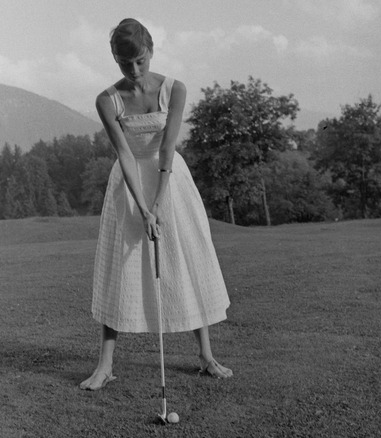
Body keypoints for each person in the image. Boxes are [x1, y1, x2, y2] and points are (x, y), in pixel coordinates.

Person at [80, 18, 233, 391]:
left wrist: (160, 202)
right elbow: (125, 155)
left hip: (171, 183)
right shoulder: (107, 100)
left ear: (150, 51)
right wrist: (144, 208)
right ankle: (105, 366)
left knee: (186, 258)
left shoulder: (174, 89)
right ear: (115, 58)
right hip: (129, 187)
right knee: (124, 267)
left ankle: (206, 356)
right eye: (123, 63)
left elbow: (167, 148)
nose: (133, 71)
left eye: (140, 62)